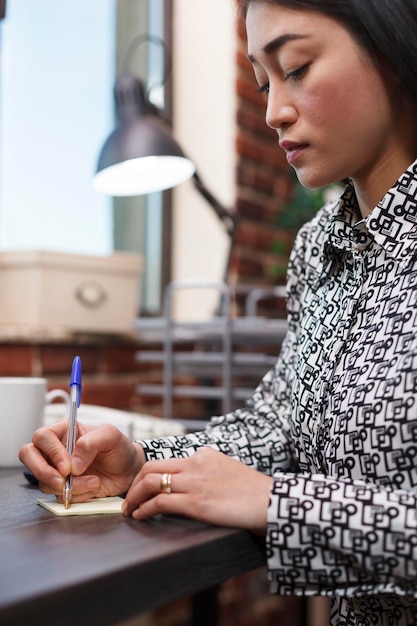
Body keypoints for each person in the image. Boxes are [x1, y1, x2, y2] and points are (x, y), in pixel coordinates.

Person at [19, 1, 417, 624]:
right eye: (262, 82)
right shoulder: (321, 246)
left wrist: (279, 502)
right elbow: (280, 426)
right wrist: (143, 462)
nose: (273, 111)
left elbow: (278, 483)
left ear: (395, 49)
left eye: (297, 68)